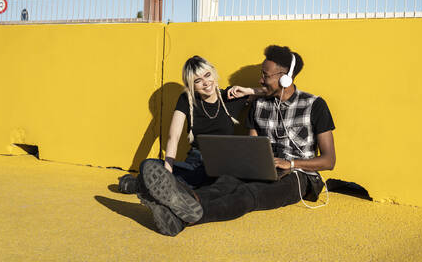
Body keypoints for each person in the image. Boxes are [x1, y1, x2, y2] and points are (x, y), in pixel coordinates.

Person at [137, 45, 336, 236]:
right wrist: (252, 167)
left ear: (285, 78)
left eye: (265, 76)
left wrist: (290, 163)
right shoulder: (259, 106)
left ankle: (184, 218)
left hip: (299, 175)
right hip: (264, 169)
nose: (260, 80)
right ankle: (181, 205)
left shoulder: (314, 105)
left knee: (247, 193)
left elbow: (329, 161)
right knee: (223, 184)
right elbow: (251, 149)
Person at [119, 55, 261, 193]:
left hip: (222, 164)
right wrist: (167, 172)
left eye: (207, 75)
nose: (206, 83)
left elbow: (271, 91)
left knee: (224, 183)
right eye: (198, 80)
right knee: (148, 164)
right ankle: (172, 187)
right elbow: (173, 137)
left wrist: (247, 90)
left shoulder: (230, 97)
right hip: (195, 163)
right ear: (191, 85)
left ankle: (145, 186)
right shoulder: (186, 100)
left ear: (213, 73)